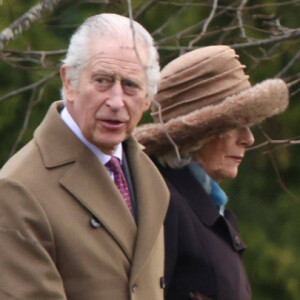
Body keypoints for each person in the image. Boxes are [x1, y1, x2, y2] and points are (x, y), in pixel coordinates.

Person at [0, 13, 170, 300]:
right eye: (102, 80)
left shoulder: (145, 172)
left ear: (147, 98)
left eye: (130, 85)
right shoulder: (17, 189)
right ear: (69, 82)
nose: (116, 102)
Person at [134, 45, 289, 300]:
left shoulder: (204, 207)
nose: (248, 139)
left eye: (249, 125)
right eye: (235, 124)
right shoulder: (164, 205)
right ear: (197, 136)